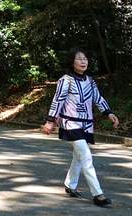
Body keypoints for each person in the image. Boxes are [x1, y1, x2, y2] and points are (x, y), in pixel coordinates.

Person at [42, 47, 118, 207]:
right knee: (86, 156)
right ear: (72, 62)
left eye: (85, 59)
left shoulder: (90, 81)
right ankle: (98, 194)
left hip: (86, 123)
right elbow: (58, 100)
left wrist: (108, 112)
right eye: (79, 58)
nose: (83, 61)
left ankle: (70, 185)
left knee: (78, 156)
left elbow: (98, 98)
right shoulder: (65, 80)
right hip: (70, 123)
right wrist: (50, 120)